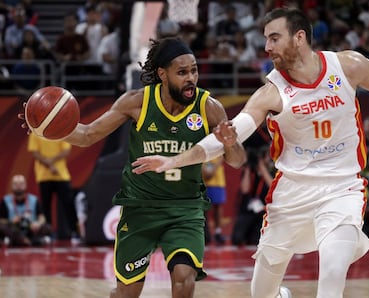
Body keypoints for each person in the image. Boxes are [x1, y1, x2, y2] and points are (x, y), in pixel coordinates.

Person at [131, 8, 369, 298]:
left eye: (274, 38)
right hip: (292, 195)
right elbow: (227, 136)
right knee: (261, 293)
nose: (267, 47)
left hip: (342, 188)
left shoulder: (347, 65)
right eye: (265, 39)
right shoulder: (271, 93)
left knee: (332, 274)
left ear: (299, 38)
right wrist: (174, 160)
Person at [20, 37, 246, 298]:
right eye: (182, 72)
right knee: (126, 294)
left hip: (185, 209)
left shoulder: (209, 107)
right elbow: (87, 134)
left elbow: (237, 160)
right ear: (162, 74)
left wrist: (231, 144)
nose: (191, 78)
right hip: (140, 209)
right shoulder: (137, 102)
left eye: (194, 70)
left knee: (184, 279)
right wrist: (47, 129)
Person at [27, 133, 77, 241]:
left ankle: (74, 232)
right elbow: (35, 152)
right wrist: (50, 165)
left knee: (68, 204)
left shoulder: (60, 131)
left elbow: (66, 151)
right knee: (46, 206)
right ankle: (48, 233)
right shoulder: (35, 132)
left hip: (61, 175)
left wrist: (51, 162)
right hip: (43, 176)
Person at [231, 146, 273, 246]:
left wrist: (262, 168)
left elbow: (272, 187)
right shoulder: (249, 171)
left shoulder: (271, 171)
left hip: (263, 211)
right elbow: (245, 189)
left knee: (256, 240)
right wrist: (248, 168)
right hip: (247, 210)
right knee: (237, 239)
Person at [0, 174, 51, 246]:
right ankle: (29, 241)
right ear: (12, 186)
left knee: (47, 227)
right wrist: (11, 221)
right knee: (1, 228)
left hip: (31, 229)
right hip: (14, 229)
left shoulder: (34, 200)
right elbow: (0, 220)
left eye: (21, 184)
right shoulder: (5, 200)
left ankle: (22, 241)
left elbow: (42, 217)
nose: (18, 186)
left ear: (25, 185)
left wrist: (38, 224)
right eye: (15, 184)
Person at [202, 156, 226, 245]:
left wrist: (214, 168)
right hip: (204, 180)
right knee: (204, 208)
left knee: (218, 206)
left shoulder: (219, 144)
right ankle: (205, 232)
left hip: (217, 180)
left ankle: (218, 232)